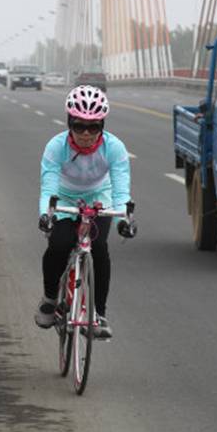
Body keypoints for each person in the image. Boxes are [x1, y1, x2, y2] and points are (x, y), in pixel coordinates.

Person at [35, 85, 137, 339]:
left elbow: (121, 191)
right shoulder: (55, 146)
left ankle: (99, 314)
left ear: (102, 126)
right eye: (79, 126)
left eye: (93, 127)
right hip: (64, 197)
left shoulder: (114, 147)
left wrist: (124, 219)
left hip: (99, 197)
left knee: (99, 248)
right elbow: (48, 189)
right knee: (59, 245)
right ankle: (50, 298)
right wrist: (46, 215)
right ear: (69, 123)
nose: (86, 133)